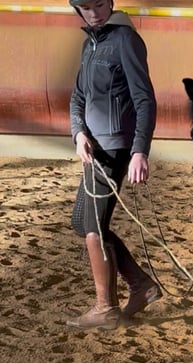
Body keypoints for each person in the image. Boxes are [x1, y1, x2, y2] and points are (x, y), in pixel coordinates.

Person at [67, 0, 161, 330]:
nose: (94, 13)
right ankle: (140, 284)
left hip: (115, 147)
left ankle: (105, 308)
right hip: (92, 147)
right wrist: (78, 133)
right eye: (86, 7)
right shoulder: (90, 44)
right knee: (82, 221)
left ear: (110, 3)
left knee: (93, 227)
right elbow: (78, 97)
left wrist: (139, 151)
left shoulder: (126, 39)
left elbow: (144, 99)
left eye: (98, 4)